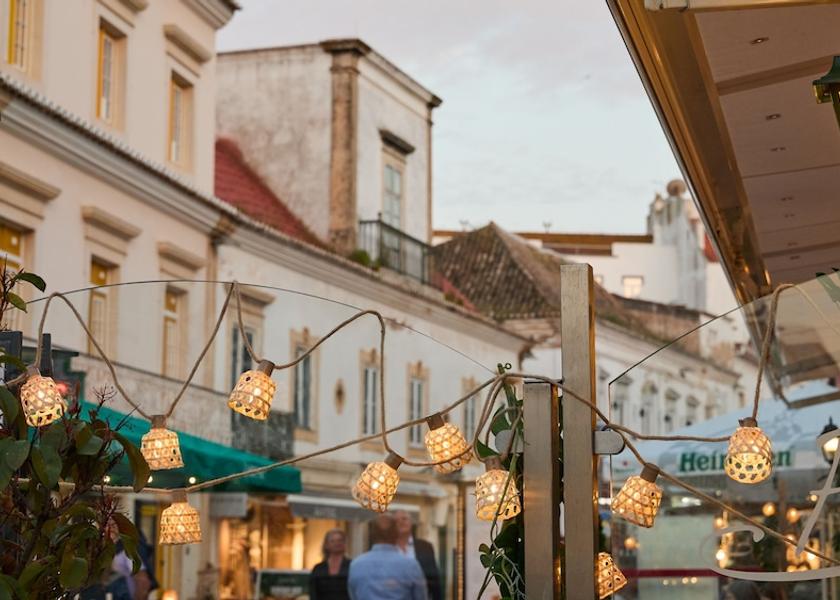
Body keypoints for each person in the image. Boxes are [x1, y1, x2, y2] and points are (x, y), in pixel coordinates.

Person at [348, 514, 427, 600]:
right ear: (396, 534)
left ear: (372, 534)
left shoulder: (356, 565)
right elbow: (420, 596)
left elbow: (354, 595)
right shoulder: (411, 565)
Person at [393, 510, 442, 600]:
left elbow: (434, 580)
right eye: (396, 520)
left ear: (411, 522)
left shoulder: (425, 547)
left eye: (404, 519)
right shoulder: (388, 548)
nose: (401, 522)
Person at [309, 529, 351, 600]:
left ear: (344, 544)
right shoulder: (318, 568)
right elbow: (313, 592)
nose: (337, 543)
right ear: (326, 545)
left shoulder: (352, 566)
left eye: (340, 540)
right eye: (332, 541)